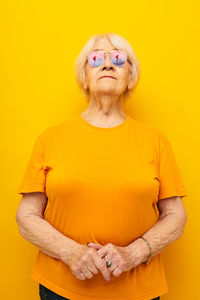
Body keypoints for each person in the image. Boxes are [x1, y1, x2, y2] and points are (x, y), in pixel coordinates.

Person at [16, 32, 188, 300]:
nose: (107, 64)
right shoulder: (49, 139)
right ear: (84, 75)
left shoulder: (156, 141)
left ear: (131, 76)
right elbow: (26, 215)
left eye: (118, 59)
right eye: (96, 59)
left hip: (138, 291)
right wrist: (69, 252)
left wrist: (134, 253)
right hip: (62, 290)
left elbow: (176, 215)